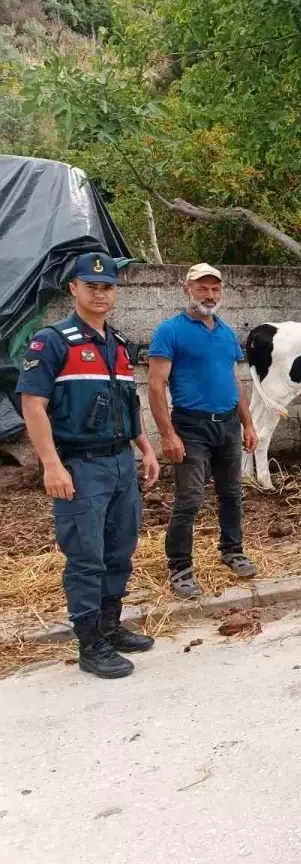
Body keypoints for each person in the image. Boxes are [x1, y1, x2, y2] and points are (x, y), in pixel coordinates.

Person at [16, 252, 161, 679]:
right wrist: (51, 465)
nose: (101, 293)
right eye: (92, 285)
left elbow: (126, 406)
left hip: (120, 462)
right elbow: (33, 406)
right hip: (80, 467)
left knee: (120, 550)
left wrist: (146, 448)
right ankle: (90, 643)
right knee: (86, 556)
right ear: (73, 289)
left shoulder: (116, 345)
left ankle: (110, 627)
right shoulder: (53, 341)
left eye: (108, 286)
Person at [148, 263, 259, 597]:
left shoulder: (225, 333)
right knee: (190, 498)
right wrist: (167, 434)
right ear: (187, 290)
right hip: (191, 427)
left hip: (226, 425)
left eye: (215, 289)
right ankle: (180, 567)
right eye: (202, 288)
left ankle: (232, 550)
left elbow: (234, 380)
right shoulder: (170, 331)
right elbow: (155, 386)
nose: (209, 295)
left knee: (231, 492)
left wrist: (248, 422)